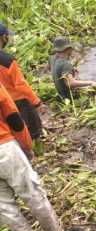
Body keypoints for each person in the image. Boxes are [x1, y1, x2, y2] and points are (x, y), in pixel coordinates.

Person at [0, 84, 64, 231]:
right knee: (31, 192)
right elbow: (13, 116)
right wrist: (26, 145)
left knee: (4, 206)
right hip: (5, 147)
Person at [0, 22, 44, 150]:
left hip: (3, 102)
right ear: (3, 38)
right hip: (17, 101)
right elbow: (21, 85)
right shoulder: (7, 60)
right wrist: (37, 102)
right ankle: (33, 149)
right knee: (32, 127)